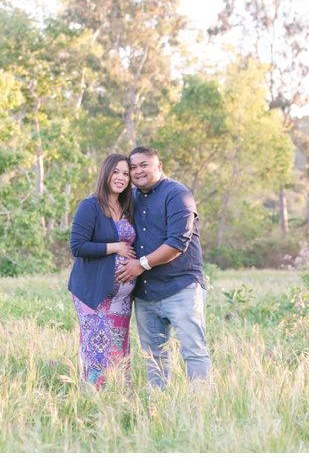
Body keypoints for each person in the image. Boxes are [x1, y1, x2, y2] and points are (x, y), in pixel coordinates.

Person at [115, 146, 211, 388]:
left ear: (159, 166)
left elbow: (177, 243)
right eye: (133, 167)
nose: (137, 171)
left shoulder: (178, 195)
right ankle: (158, 408)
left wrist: (141, 265)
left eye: (144, 165)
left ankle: (202, 411)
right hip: (146, 293)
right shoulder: (131, 199)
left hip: (181, 288)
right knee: (154, 356)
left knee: (193, 351)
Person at [68, 153, 137, 388]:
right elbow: (77, 246)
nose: (121, 177)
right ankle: (93, 399)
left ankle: (119, 396)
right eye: (116, 172)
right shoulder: (91, 205)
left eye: (126, 174)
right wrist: (114, 247)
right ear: (105, 173)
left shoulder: (127, 206)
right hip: (94, 293)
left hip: (122, 298)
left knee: (119, 350)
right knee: (96, 349)